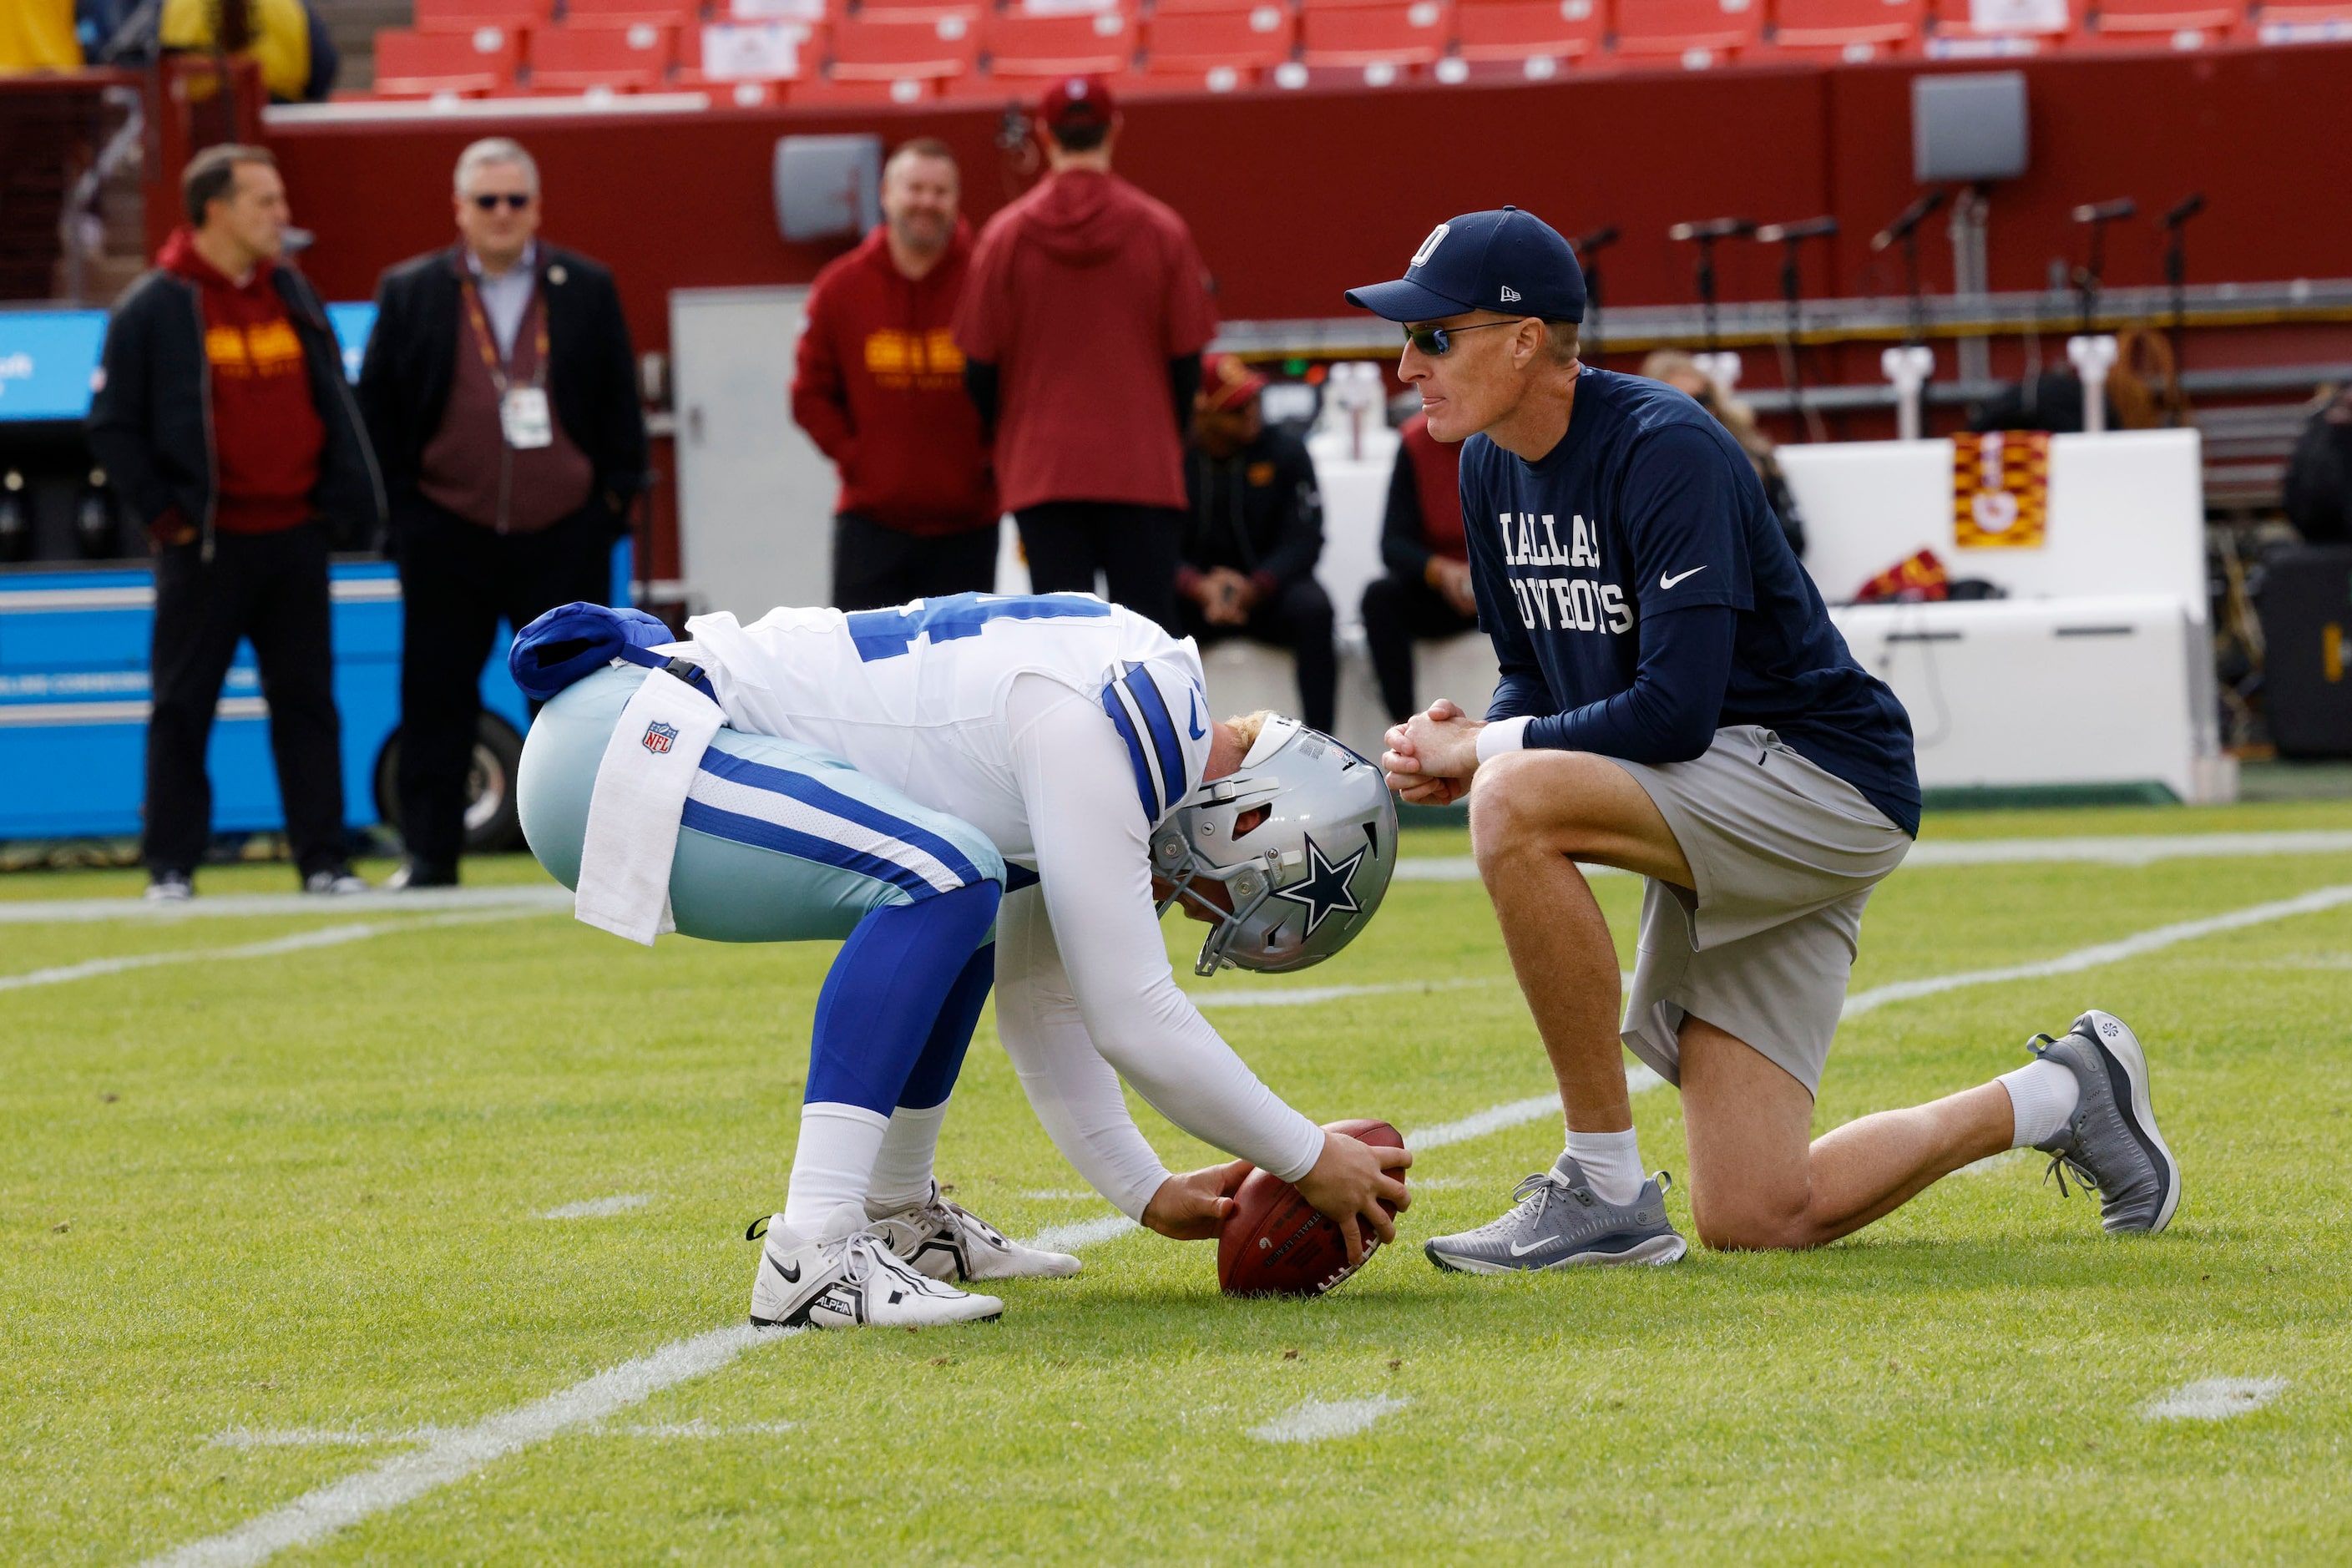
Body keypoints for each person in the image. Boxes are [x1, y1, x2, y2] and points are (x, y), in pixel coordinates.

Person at [1353, 207, 2180, 1269]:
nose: (1405, 362)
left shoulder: (1666, 448)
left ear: (1524, 340)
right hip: (1726, 788)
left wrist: (1494, 753)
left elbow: (1673, 712)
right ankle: (2064, 1091)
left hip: (1821, 779)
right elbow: (1537, 671)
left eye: (1433, 337)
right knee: (1755, 1215)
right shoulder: (1483, 465)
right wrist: (1467, 729)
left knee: (1509, 802)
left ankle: (1602, 1187)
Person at [507, 591, 1409, 1328]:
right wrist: (1303, 1155)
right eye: (1231, 894)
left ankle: (898, 1219)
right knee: (948, 878)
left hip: (639, 733)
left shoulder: (1131, 693)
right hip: (629, 741)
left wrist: (1144, 1189)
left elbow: (1038, 994)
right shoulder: (1128, 716)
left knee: (971, 889)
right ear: (1251, 819)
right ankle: (815, 1250)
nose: (1198, 908)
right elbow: (1133, 1016)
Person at [89, 144, 382, 903]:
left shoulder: (294, 293)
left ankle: (324, 861)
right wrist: (168, 519)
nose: (282, 217)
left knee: (309, 705)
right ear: (215, 209)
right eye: (265, 202)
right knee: (183, 706)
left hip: (295, 537)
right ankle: (171, 869)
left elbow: (334, 404)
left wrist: (339, 504)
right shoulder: (154, 306)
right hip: (207, 548)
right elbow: (113, 427)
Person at [357, 137, 647, 891]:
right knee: (434, 695)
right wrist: (405, 515)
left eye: (516, 200)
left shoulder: (583, 285)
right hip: (447, 528)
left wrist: (608, 503)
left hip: (562, 532)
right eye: (487, 201)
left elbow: (620, 401)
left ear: (536, 208)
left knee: (580, 703)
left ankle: (596, 860)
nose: (502, 214)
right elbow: (379, 414)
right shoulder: (412, 289)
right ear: (459, 209)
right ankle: (429, 857)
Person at [953, 75, 1217, 635]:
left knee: (1062, 644)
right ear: (1113, 130)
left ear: (1046, 135)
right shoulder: (1161, 230)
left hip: (1043, 472)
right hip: (1142, 468)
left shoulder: (1005, 237)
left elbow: (978, 368)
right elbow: (1186, 364)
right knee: (1147, 642)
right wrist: (1163, 436)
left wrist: (1011, 438)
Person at [792, 138, 999, 612]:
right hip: (870, 527)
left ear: (956, 200)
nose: (927, 201)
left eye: (940, 191)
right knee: (863, 676)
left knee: (962, 679)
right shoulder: (840, 287)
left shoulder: (990, 282)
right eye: (915, 188)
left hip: (970, 527)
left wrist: (990, 464)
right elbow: (809, 395)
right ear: (886, 193)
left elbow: (1024, 389)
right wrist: (859, 459)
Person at [1177, 353, 1336, 732]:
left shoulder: (1286, 450)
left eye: (1253, 400)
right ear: (1202, 415)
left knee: (1315, 610)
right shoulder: (1173, 457)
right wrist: (1195, 586)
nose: (1251, 412)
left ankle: (1323, 743)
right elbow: (1149, 546)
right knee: (1141, 615)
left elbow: (1306, 539)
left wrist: (1257, 586)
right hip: (1194, 598)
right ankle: (1167, 753)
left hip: (1268, 593)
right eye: (1235, 408)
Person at [1359, 411, 1478, 724]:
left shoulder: (1508, 435)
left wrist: (1488, 575)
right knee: (1380, 597)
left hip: (1510, 585)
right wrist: (1440, 571)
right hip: (1445, 589)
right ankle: (1405, 727)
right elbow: (1392, 544)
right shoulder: (1415, 442)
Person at [1639, 348, 1804, 559]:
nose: (1696, 411)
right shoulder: (1641, 465)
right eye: (1679, 402)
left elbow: (1793, 539)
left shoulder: (1751, 453)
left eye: (1701, 399)